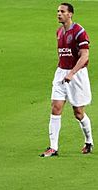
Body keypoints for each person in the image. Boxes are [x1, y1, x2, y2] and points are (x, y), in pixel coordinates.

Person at [40, 3, 94, 157]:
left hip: (77, 75)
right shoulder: (59, 31)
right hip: (61, 73)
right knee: (56, 107)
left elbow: (85, 56)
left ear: (70, 14)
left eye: (62, 11)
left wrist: (71, 73)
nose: (59, 14)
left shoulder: (79, 32)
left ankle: (89, 141)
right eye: (57, 11)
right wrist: (63, 72)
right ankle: (53, 147)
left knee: (78, 112)